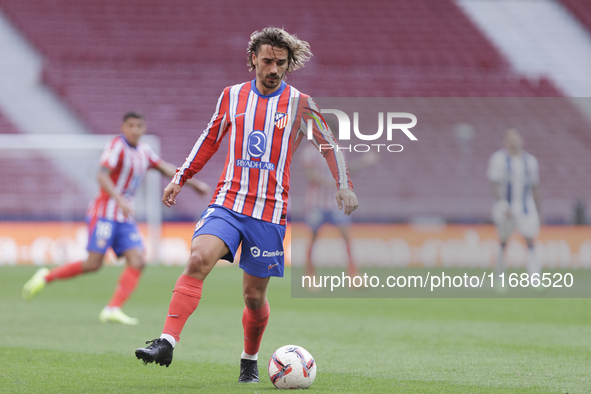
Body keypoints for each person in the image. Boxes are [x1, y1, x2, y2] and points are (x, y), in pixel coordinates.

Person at [134, 27, 359, 383]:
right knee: (197, 258)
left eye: (280, 63)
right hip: (229, 201)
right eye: (267, 61)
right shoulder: (232, 96)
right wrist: (180, 177)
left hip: (269, 213)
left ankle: (249, 360)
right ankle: (166, 341)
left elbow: (329, 144)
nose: (273, 69)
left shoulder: (302, 103)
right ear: (253, 57)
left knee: (254, 297)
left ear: (289, 65)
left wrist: (343, 185)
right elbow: (209, 138)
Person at [22, 112, 209, 325]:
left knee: (138, 260)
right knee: (93, 264)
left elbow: (165, 168)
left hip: (123, 216)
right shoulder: (116, 146)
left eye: (139, 126)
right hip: (104, 213)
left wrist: (193, 184)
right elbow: (101, 175)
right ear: (123, 127)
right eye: (130, 126)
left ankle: (113, 308)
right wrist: (119, 199)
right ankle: (46, 276)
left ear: (144, 128)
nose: (135, 130)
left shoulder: (144, 151)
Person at [301, 143, 377, 279]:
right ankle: (310, 275)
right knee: (313, 239)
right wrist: (331, 182)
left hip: (335, 204)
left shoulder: (339, 151)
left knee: (346, 237)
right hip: (316, 204)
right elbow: (311, 175)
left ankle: (353, 274)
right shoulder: (310, 151)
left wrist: (364, 162)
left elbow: (346, 170)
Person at [487, 128, 542, 287]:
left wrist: (539, 211)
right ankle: (499, 278)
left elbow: (535, 187)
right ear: (505, 141)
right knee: (503, 241)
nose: (513, 141)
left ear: (521, 140)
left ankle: (535, 279)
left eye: (515, 138)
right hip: (506, 208)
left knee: (530, 240)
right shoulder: (498, 159)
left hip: (525, 208)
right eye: (510, 138)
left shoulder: (530, 161)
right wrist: (503, 204)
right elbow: (494, 185)